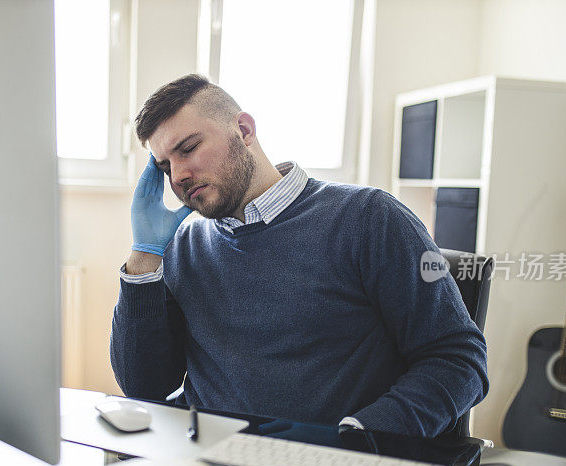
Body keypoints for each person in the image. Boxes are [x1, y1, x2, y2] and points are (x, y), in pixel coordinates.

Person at [110, 74, 488, 437]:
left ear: (244, 131)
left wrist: (359, 435)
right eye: (165, 166)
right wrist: (143, 259)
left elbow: (459, 360)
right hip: (209, 464)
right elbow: (145, 388)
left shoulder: (369, 219)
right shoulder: (184, 245)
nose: (178, 176)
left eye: (188, 149)